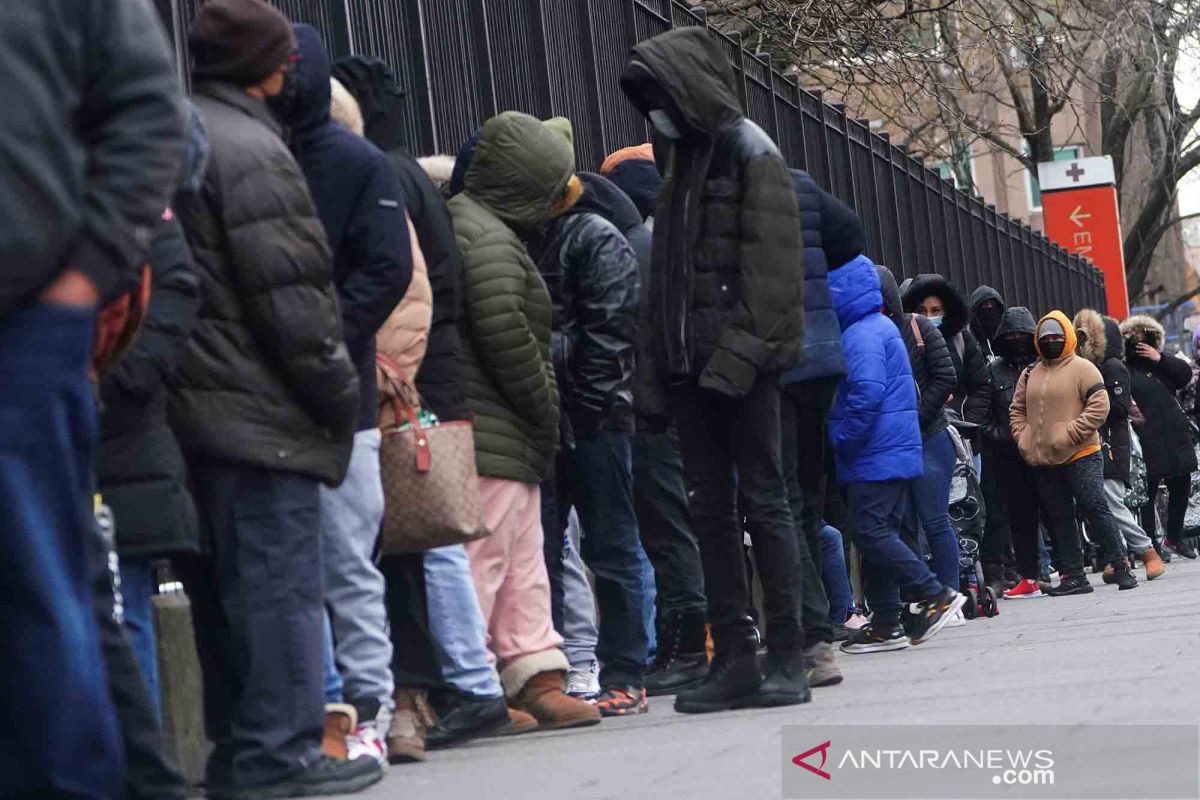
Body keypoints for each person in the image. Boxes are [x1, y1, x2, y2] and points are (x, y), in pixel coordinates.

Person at [171, 1, 378, 795]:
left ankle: (241, 752)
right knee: (279, 594)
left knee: (228, 599)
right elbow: (294, 300)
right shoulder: (255, 150)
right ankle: (279, 758)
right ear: (265, 68)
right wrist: (333, 393)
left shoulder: (186, 132)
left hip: (199, 408)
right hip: (262, 414)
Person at [0, 0, 185, 795]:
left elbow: (150, 117)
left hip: (26, 318)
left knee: (42, 592)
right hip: (45, 311)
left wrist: (74, 290)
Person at [327, 62, 521, 754]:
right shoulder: (407, 175)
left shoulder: (376, 176)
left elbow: (407, 297)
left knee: (423, 533)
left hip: (406, 385)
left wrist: (390, 377)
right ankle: (466, 681)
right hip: (427, 379)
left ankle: (465, 684)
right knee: (432, 532)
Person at [621, 26, 810, 713]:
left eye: (663, 94)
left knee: (764, 501)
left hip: (740, 371)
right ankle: (733, 657)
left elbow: (773, 285)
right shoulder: (685, 163)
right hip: (688, 372)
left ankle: (787, 655)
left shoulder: (749, 152)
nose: (656, 111)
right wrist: (656, 378)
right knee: (711, 514)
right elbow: (664, 285)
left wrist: (734, 363)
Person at [274, 26, 414, 766]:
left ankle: (369, 704)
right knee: (317, 562)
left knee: (345, 561)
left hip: (339, 393)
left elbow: (386, 267)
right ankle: (345, 706)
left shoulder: (350, 161)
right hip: (309, 387)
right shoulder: (282, 154)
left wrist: (326, 339)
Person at [447, 110, 601, 730]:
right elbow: (511, 341)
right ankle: (490, 683)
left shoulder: (476, 229)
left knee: (519, 560)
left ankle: (533, 677)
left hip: (498, 432)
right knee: (495, 563)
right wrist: (546, 415)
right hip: (497, 431)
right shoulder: (488, 241)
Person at [99, 106, 208, 719]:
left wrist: (102, 391)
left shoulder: (137, 207)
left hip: (118, 443)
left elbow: (172, 296)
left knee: (124, 610)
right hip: (88, 436)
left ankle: (130, 772)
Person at [532, 169, 653, 716]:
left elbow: (610, 338)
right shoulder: (527, 236)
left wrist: (563, 380)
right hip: (552, 415)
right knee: (544, 548)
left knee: (610, 545)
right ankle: (550, 675)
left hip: (593, 419)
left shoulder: (593, 237)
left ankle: (625, 672)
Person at [604, 146, 709, 698]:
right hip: (677, 406)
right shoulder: (669, 245)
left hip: (648, 409)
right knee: (677, 527)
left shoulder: (633, 249)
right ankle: (687, 642)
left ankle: (685, 646)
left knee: (666, 530)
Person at [828, 255, 965, 655]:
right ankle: (886, 621)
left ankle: (933, 594)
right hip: (890, 449)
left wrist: (841, 436)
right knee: (878, 534)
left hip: (875, 452)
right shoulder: (881, 327)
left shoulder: (861, 334)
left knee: (871, 532)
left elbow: (866, 394)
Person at [780, 168, 864, 688]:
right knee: (804, 501)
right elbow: (851, 235)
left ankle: (808, 637)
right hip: (820, 356)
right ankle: (815, 635)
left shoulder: (714, 187)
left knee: (781, 501)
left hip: (774, 362)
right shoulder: (799, 184)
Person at [1009, 312, 1138, 596]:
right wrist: (1024, 437)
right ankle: (1075, 576)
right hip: (1044, 458)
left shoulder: (1084, 368)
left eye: (1057, 337)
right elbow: (1016, 410)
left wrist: (1070, 432)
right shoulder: (1030, 373)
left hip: (1082, 453)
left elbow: (1100, 406)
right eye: (1045, 338)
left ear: (1067, 336)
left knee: (1094, 506)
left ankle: (1121, 566)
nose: (1051, 342)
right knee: (1059, 515)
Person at [878, 265, 961, 602]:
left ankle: (950, 594)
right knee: (904, 522)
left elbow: (946, 377)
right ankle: (920, 596)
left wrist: (913, 418)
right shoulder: (871, 331)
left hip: (928, 437)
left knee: (934, 519)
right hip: (896, 442)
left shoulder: (918, 327)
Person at [1073, 310, 1166, 581]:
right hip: (1095, 443)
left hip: (1111, 444)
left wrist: (1089, 401)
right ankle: (1120, 556)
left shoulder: (1112, 367)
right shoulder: (1088, 369)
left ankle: (1146, 550)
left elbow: (1120, 407)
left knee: (1111, 502)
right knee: (1098, 503)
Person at [976, 308, 1048, 599]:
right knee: (1014, 515)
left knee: (1056, 511)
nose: (1017, 340)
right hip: (1006, 455)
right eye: (1011, 336)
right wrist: (1003, 437)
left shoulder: (1046, 366)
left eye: (1022, 336)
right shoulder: (994, 371)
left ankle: (1059, 568)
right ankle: (1026, 573)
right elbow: (982, 412)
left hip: (1045, 451)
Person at [1121, 314, 1199, 560]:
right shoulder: (1124, 370)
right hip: (1147, 439)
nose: (1140, 344)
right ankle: (1150, 544)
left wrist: (1160, 358)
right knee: (1148, 493)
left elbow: (1184, 375)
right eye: (1135, 339)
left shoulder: (1162, 366)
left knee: (1181, 485)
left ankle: (1174, 537)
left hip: (1175, 437)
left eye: (1145, 339)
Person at [969, 285, 1016, 588]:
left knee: (1013, 506)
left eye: (994, 307)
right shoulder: (971, 345)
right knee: (991, 507)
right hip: (987, 439)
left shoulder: (1008, 345)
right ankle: (997, 568)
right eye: (983, 308)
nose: (990, 314)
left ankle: (1015, 565)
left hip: (1009, 437)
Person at [902, 274, 990, 426]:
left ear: (947, 311)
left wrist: (967, 421)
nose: (928, 317)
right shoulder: (903, 340)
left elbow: (980, 388)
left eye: (936, 310)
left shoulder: (962, 340)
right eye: (922, 310)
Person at [968, 286, 1005, 362]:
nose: (990, 308)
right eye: (985, 304)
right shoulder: (968, 339)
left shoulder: (1005, 337)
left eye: (993, 304)